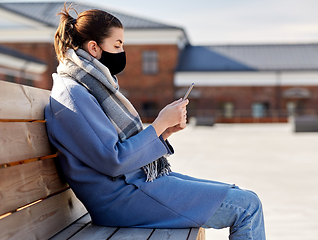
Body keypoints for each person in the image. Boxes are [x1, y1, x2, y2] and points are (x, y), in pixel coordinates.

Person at [45, 4, 266, 240]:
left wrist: (164, 132)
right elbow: (113, 161)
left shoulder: (86, 86)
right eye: (117, 45)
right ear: (94, 48)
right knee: (247, 206)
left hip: (130, 187)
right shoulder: (74, 94)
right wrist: (158, 124)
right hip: (121, 198)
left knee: (242, 196)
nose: (122, 51)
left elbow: (111, 153)